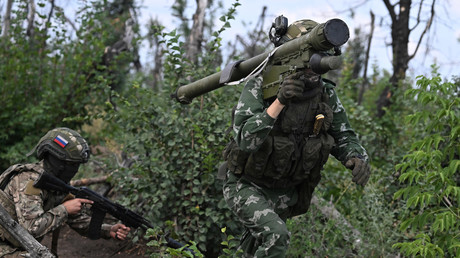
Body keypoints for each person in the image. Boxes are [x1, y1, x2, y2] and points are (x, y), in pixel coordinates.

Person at [222, 19, 371, 257]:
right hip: (247, 185)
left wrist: (356, 157)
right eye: (310, 58)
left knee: (251, 250)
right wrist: (280, 101)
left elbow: (344, 136)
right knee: (276, 236)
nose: (314, 68)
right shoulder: (261, 86)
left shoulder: (325, 93)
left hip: (284, 193)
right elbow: (245, 140)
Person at [0, 127, 131, 257]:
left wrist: (108, 230)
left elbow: (77, 220)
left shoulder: (56, 184)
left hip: (17, 247)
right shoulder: (28, 182)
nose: (75, 170)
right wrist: (64, 209)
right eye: (72, 165)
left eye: (77, 165)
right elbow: (31, 228)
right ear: (57, 161)